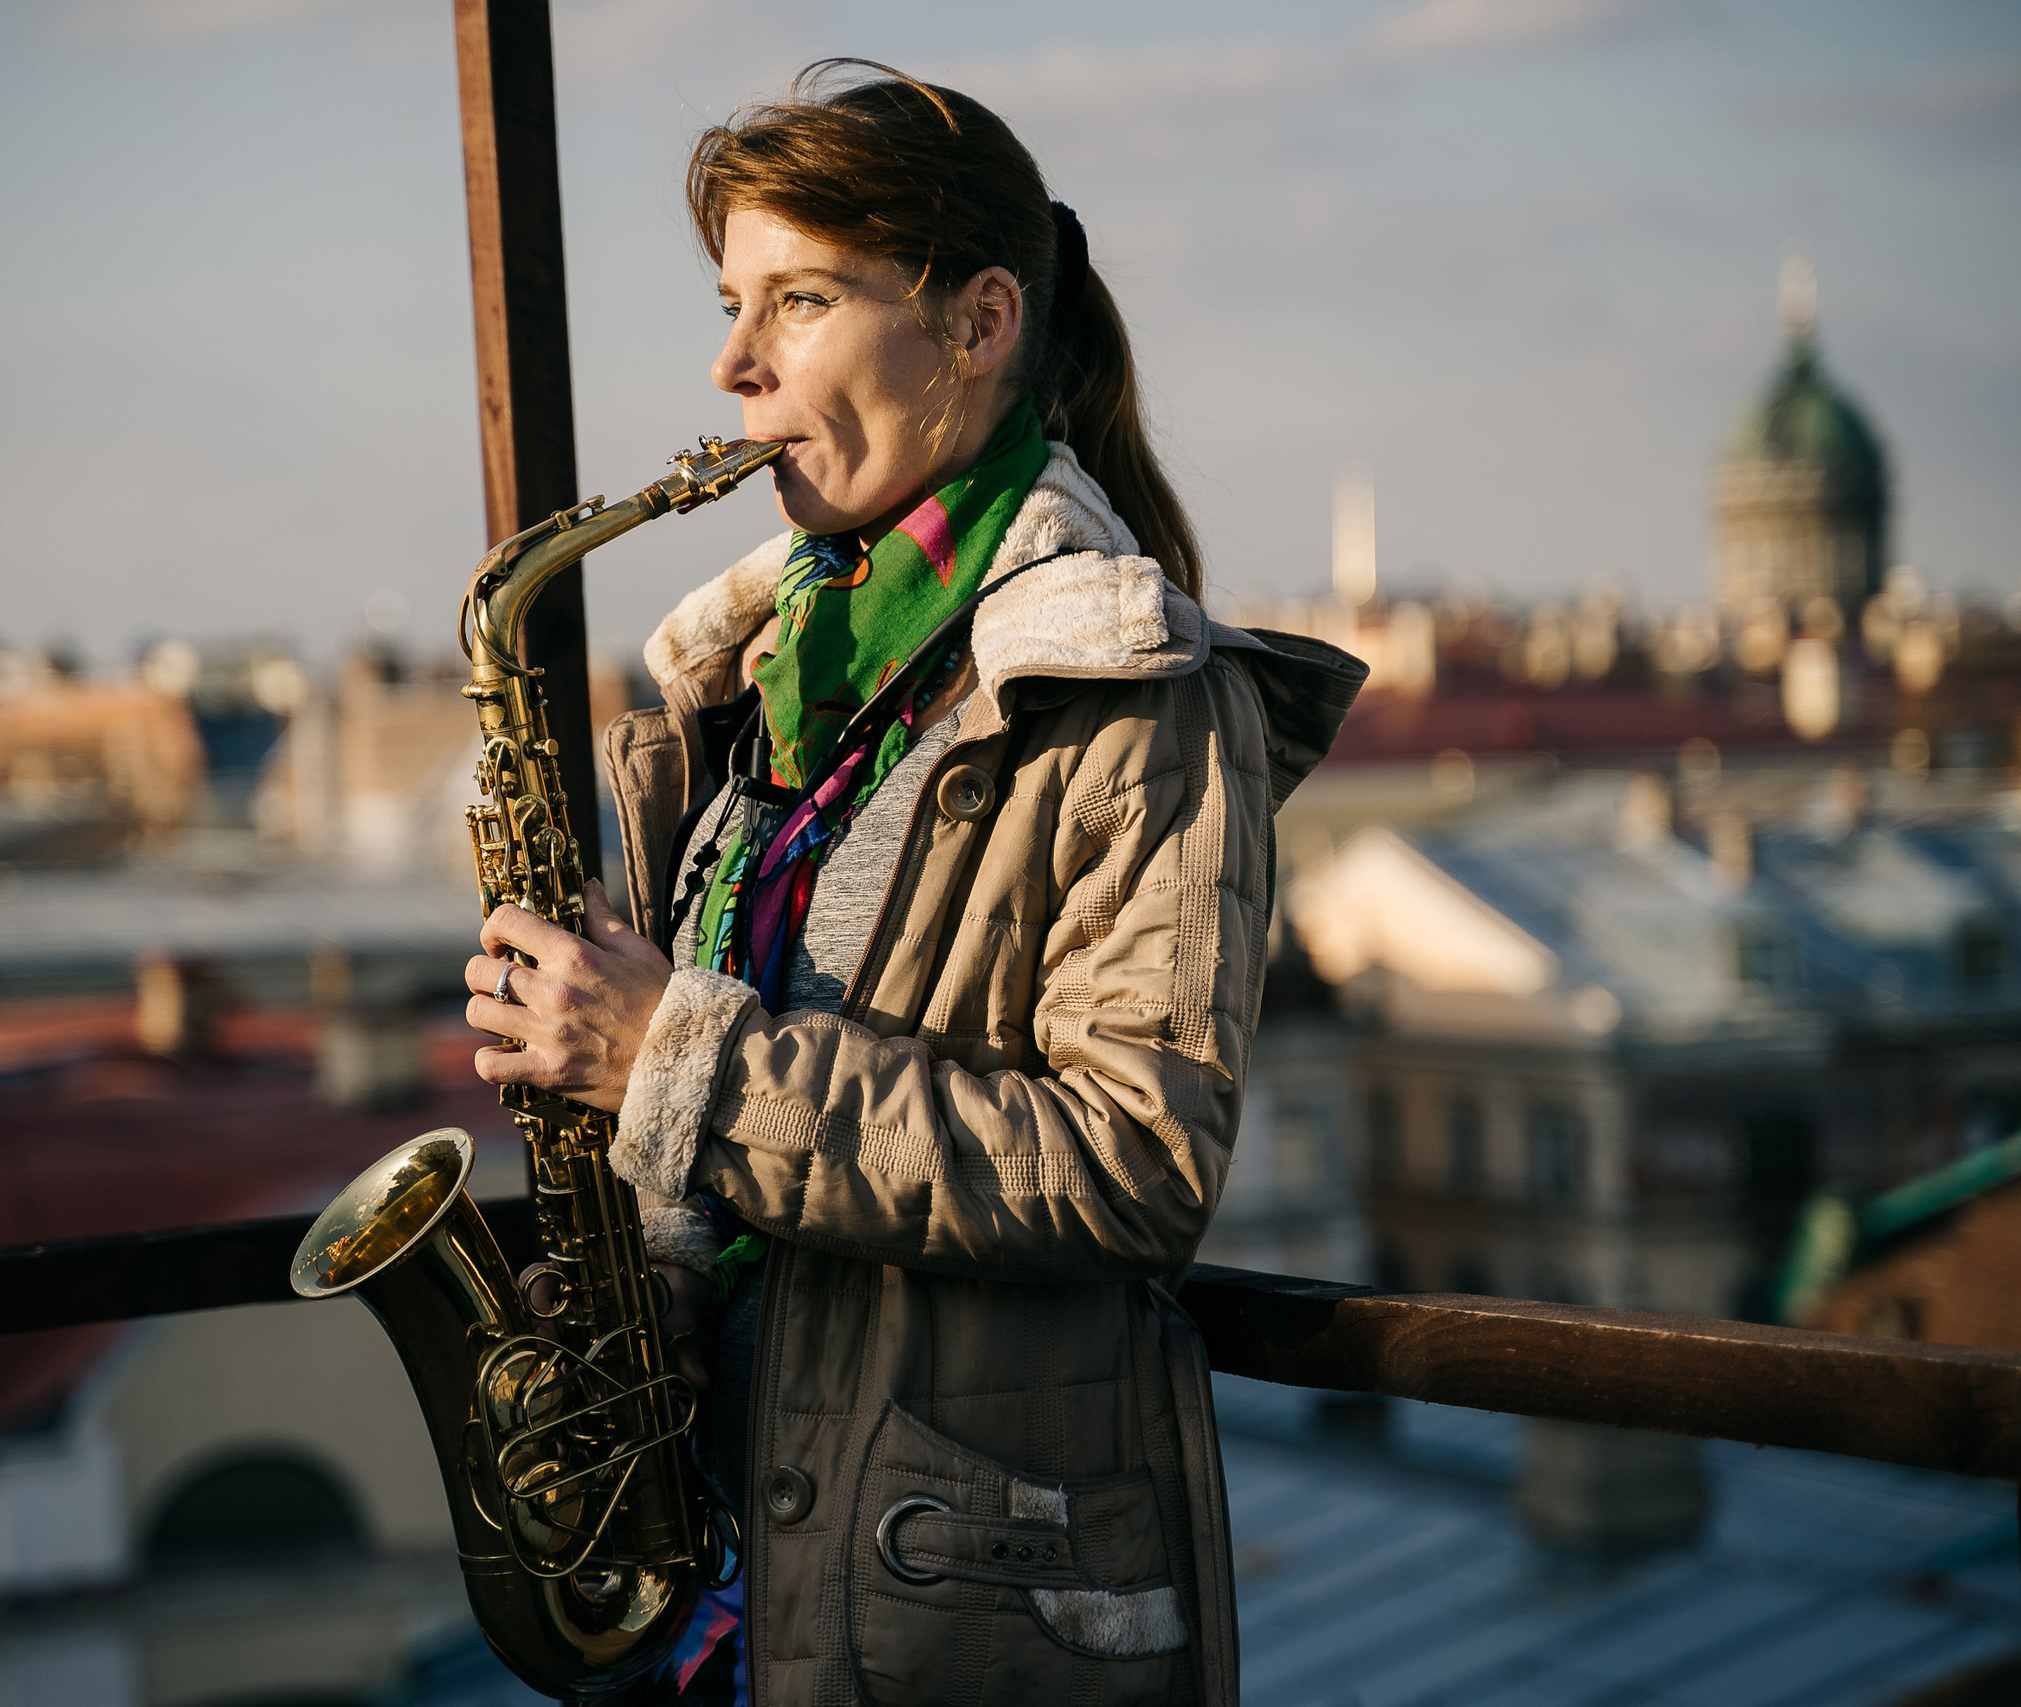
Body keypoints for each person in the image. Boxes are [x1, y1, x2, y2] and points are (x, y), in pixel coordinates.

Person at [463, 60, 1363, 1707]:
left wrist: (674, 1055)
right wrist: (650, 1271)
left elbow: (1135, 1164)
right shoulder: (759, 686)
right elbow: (759, 1162)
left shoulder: (1142, 693)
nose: (734, 368)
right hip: (736, 1593)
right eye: (733, 303)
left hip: (954, 1611)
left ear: (980, 323)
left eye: (797, 301)